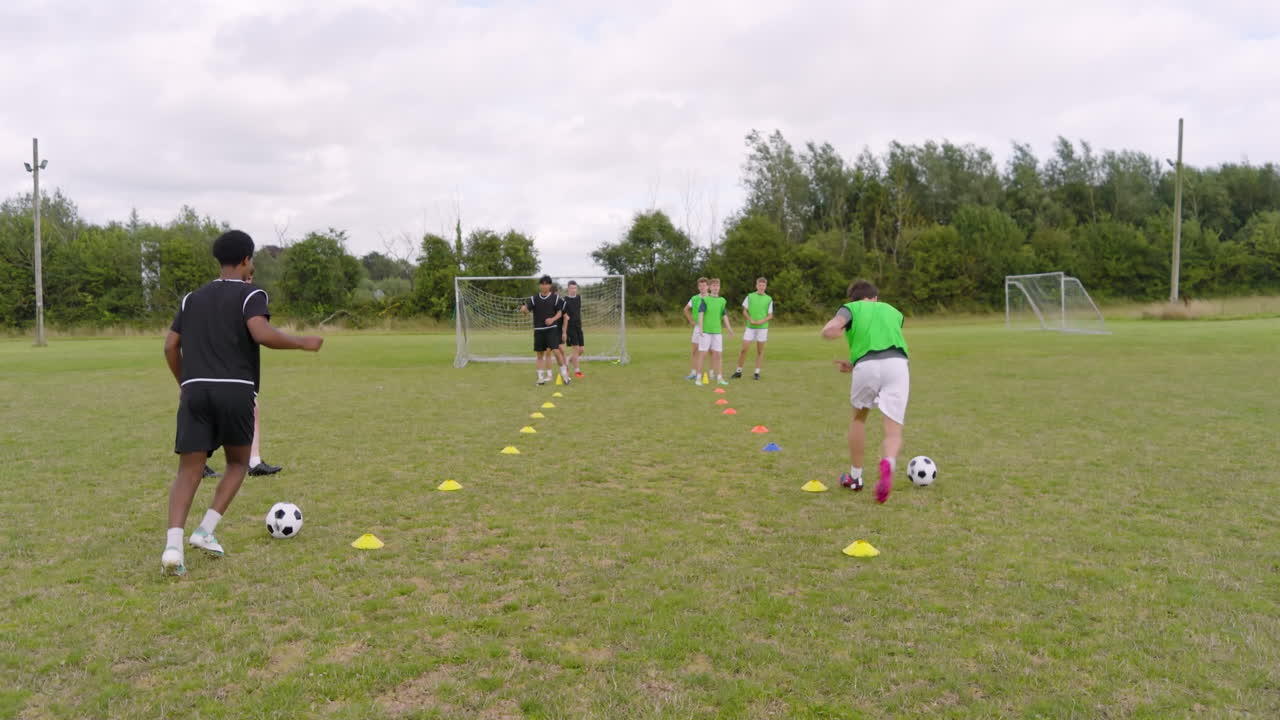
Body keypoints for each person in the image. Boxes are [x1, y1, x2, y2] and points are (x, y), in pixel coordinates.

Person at [162, 230, 323, 576]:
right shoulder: (251, 295)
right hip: (235, 391)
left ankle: (173, 548)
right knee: (238, 464)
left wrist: (184, 383)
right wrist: (302, 343)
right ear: (248, 259)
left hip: (195, 391)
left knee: (188, 471)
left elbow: (170, 347)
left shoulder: (192, 298)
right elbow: (261, 334)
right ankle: (204, 532)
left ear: (219, 261)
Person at [820, 280, 909, 504]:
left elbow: (833, 327)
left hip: (866, 367)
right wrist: (853, 363)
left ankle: (856, 477)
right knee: (893, 430)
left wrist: (831, 330)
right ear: (875, 297)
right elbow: (882, 342)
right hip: (897, 365)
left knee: (858, 419)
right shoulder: (893, 311)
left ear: (856, 299)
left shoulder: (851, 309)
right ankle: (889, 461)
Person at [519, 275, 571, 386]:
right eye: (542, 284)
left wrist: (552, 319)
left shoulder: (555, 298)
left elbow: (560, 313)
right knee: (540, 355)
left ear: (550, 285)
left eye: (547, 284)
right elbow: (526, 311)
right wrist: (523, 310)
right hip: (539, 330)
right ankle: (540, 379)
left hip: (551, 329)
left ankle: (565, 375)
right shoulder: (534, 299)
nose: (544, 286)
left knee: (556, 351)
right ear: (539, 285)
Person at [694, 278, 733, 387]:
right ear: (710, 287)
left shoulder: (722, 301)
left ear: (719, 287)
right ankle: (698, 378)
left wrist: (729, 329)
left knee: (719, 354)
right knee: (703, 354)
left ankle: (720, 378)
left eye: (717, 286)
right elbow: (701, 314)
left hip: (717, 332)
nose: (716, 288)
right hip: (706, 331)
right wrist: (700, 328)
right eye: (713, 286)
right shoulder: (705, 300)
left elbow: (724, 315)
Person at [733, 276, 774, 380]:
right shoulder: (750, 296)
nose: (761, 287)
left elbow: (770, 315)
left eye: (763, 285)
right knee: (744, 349)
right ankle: (738, 371)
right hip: (750, 327)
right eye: (759, 285)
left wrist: (762, 321)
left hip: (762, 328)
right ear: (756, 285)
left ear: (765, 286)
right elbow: (744, 311)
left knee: (760, 351)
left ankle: (757, 373)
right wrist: (750, 319)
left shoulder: (769, 299)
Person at [683, 277, 709, 380]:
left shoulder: (712, 298)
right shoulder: (694, 298)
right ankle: (694, 373)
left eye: (704, 285)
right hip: (698, 328)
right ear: (698, 287)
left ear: (708, 287)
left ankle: (710, 372)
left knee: (709, 351)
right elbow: (686, 309)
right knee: (695, 351)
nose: (702, 287)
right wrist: (691, 320)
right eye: (700, 286)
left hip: (708, 328)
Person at [561, 280, 585, 378]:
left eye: (575, 288)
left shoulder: (579, 298)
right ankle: (577, 371)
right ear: (568, 288)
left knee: (581, 350)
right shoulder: (564, 300)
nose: (573, 290)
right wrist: (564, 331)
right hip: (570, 327)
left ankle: (567, 361)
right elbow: (563, 316)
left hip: (579, 326)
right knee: (576, 349)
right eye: (571, 288)